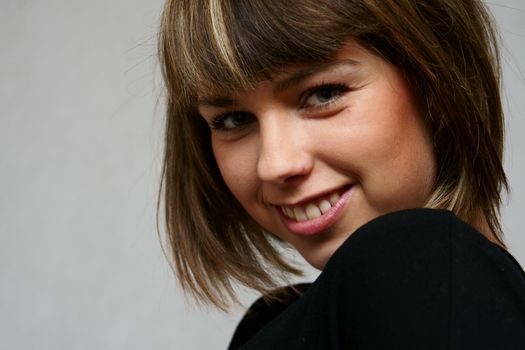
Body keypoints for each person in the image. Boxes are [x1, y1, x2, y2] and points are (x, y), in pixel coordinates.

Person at [158, 0, 525, 348]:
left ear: (438, 80)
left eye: (324, 93)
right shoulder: (275, 320)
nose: (275, 164)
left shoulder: (416, 258)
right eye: (233, 120)